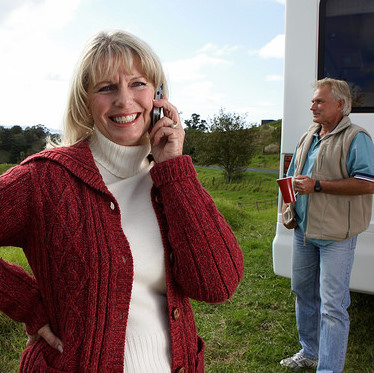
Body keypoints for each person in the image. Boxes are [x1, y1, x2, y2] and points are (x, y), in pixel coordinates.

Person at [0, 30, 244, 372]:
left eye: (138, 84)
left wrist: (174, 169)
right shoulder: (44, 180)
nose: (125, 101)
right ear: (86, 100)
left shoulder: (170, 181)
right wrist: (27, 305)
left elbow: (218, 283)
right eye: (106, 88)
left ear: (158, 94)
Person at [280, 78, 374, 372]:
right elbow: (293, 172)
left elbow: (368, 183)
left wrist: (318, 186)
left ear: (340, 105)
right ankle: (310, 352)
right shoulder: (310, 133)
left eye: (319, 101)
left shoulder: (357, 137)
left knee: (333, 308)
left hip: (336, 236)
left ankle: (329, 368)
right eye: (313, 101)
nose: (312, 106)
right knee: (303, 293)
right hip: (304, 232)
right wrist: (289, 205)